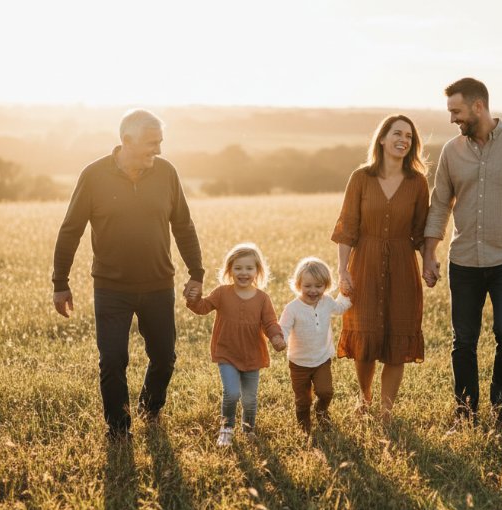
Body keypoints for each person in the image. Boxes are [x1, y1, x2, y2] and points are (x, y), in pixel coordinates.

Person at [52, 109, 205, 442]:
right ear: (127, 141)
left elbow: (183, 225)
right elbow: (70, 230)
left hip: (158, 285)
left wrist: (196, 273)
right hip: (111, 288)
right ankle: (118, 430)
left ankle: (150, 410)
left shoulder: (167, 173)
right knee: (112, 360)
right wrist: (60, 284)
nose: (159, 150)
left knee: (164, 357)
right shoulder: (93, 176)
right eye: (152, 143)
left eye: (160, 142)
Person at [422, 77, 502, 430]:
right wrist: (429, 253)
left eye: (456, 111)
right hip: (463, 260)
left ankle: (501, 406)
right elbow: (439, 206)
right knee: (463, 340)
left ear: (478, 106)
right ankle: (465, 412)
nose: (452, 119)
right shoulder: (452, 151)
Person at [331, 114, 430, 424]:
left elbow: (422, 231)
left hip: (402, 267)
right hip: (364, 264)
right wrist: (342, 270)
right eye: (397, 133)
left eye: (409, 137)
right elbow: (348, 226)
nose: (404, 140)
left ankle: (386, 412)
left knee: (397, 340)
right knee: (365, 337)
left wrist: (430, 261)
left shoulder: (417, 183)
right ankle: (364, 399)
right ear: (383, 139)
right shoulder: (360, 178)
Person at [186, 243, 286, 447]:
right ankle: (226, 428)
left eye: (249, 268)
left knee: (249, 399)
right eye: (238, 268)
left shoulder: (262, 298)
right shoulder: (222, 293)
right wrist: (193, 299)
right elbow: (203, 307)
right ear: (229, 270)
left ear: (257, 271)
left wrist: (276, 337)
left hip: (252, 355)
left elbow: (270, 323)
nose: (243, 273)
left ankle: (248, 429)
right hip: (227, 352)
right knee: (231, 393)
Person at [278, 257, 352, 434]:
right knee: (303, 399)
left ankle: (322, 411)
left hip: (322, 359)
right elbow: (284, 328)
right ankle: (304, 426)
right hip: (298, 362)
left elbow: (340, 308)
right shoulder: (293, 308)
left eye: (318, 286)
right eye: (307, 286)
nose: (313, 290)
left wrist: (345, 292)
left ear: (326, 286)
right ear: (298, 285)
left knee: (326, 391)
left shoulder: (326, 302)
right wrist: (281, 339)